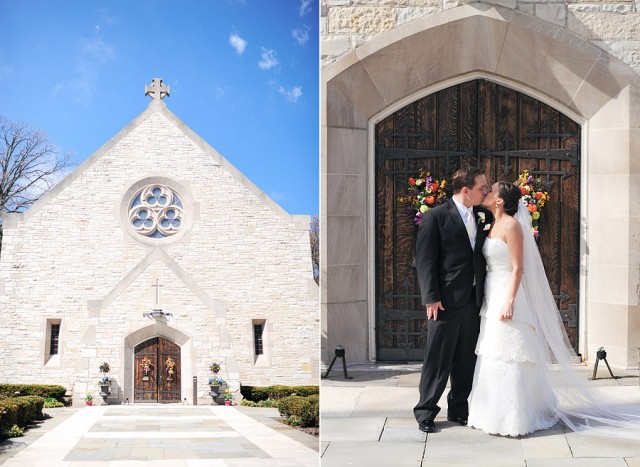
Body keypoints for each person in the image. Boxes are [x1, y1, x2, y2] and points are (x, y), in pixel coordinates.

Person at [468, 181, 640, 438]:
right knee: (493, 351)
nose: (487, 193)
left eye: (491, 190)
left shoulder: (513, 226)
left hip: (506, 293)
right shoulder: (491, 224)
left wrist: (510, 301)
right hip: (491, 293)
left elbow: (518, 268)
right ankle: (489, 412)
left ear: (500, 200)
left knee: (512, 353)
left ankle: (514, 417)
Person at [413, 165, 492, 434]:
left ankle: (459, 409)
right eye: (482, 187)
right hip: (444, 301)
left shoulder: (483, 214)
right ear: (466, 190)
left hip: (473, 298)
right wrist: (431, 298)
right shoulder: (435, 217)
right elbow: (424, 261)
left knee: (466, 358)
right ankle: (426, 412)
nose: (487, 191)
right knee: (438, 358)